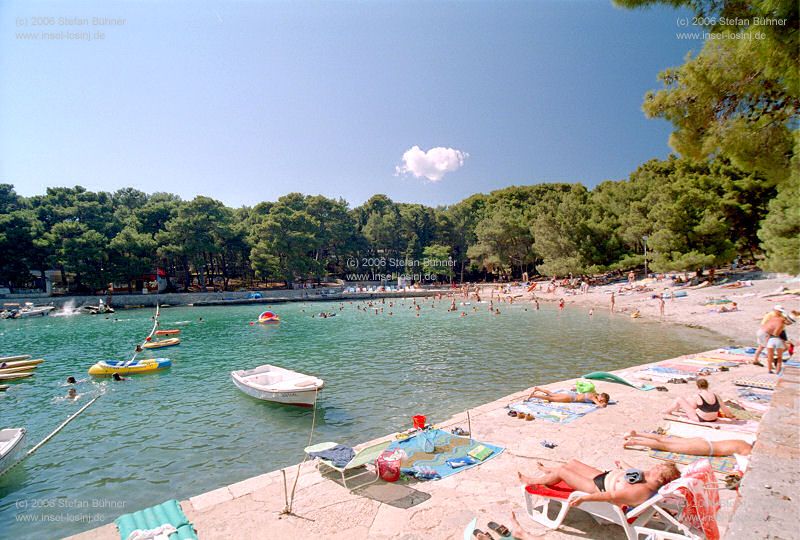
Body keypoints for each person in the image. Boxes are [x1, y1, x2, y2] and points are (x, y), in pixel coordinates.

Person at [518, 460, 680, 508]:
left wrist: (583, 499)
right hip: (605, 477)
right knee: (571, 463)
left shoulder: (641, 491)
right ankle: (549, 471)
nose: (656, 466)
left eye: (660, 468)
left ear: (660, 479)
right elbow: (633, 473)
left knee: (562, 470)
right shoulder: (649, 478)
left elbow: (610, 495)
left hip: (596, 487)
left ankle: (533, 481)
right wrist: (622, 465)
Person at [623, 431, 752, 456]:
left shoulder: (743, 442)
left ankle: (637, 434)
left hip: (703, 441)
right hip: (706, 448)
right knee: (665, 446)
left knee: (664, 439)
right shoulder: (747, 450)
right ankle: (634, 442)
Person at [663, 378, 732, 422]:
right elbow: (725, 410)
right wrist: (730, 416)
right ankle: (675, 408)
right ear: (708, 385)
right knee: (689, 402)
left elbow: (692, 407)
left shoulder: (698, 396)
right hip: (713, 419)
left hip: (701, 419)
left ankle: (667, 411)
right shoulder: (716, 396)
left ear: (698, 386)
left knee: (679, 399)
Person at [528, 387, 610, 407]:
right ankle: (534, 395)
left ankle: (537, 389)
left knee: (551, 394)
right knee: (551, 398)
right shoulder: (594, 397)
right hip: (570, 398)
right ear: (601, 396)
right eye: (603, 400)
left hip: (571, 396)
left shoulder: (594, 394)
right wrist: (603, 404)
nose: (602, 401)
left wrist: (602, 402)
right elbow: (599, 405)